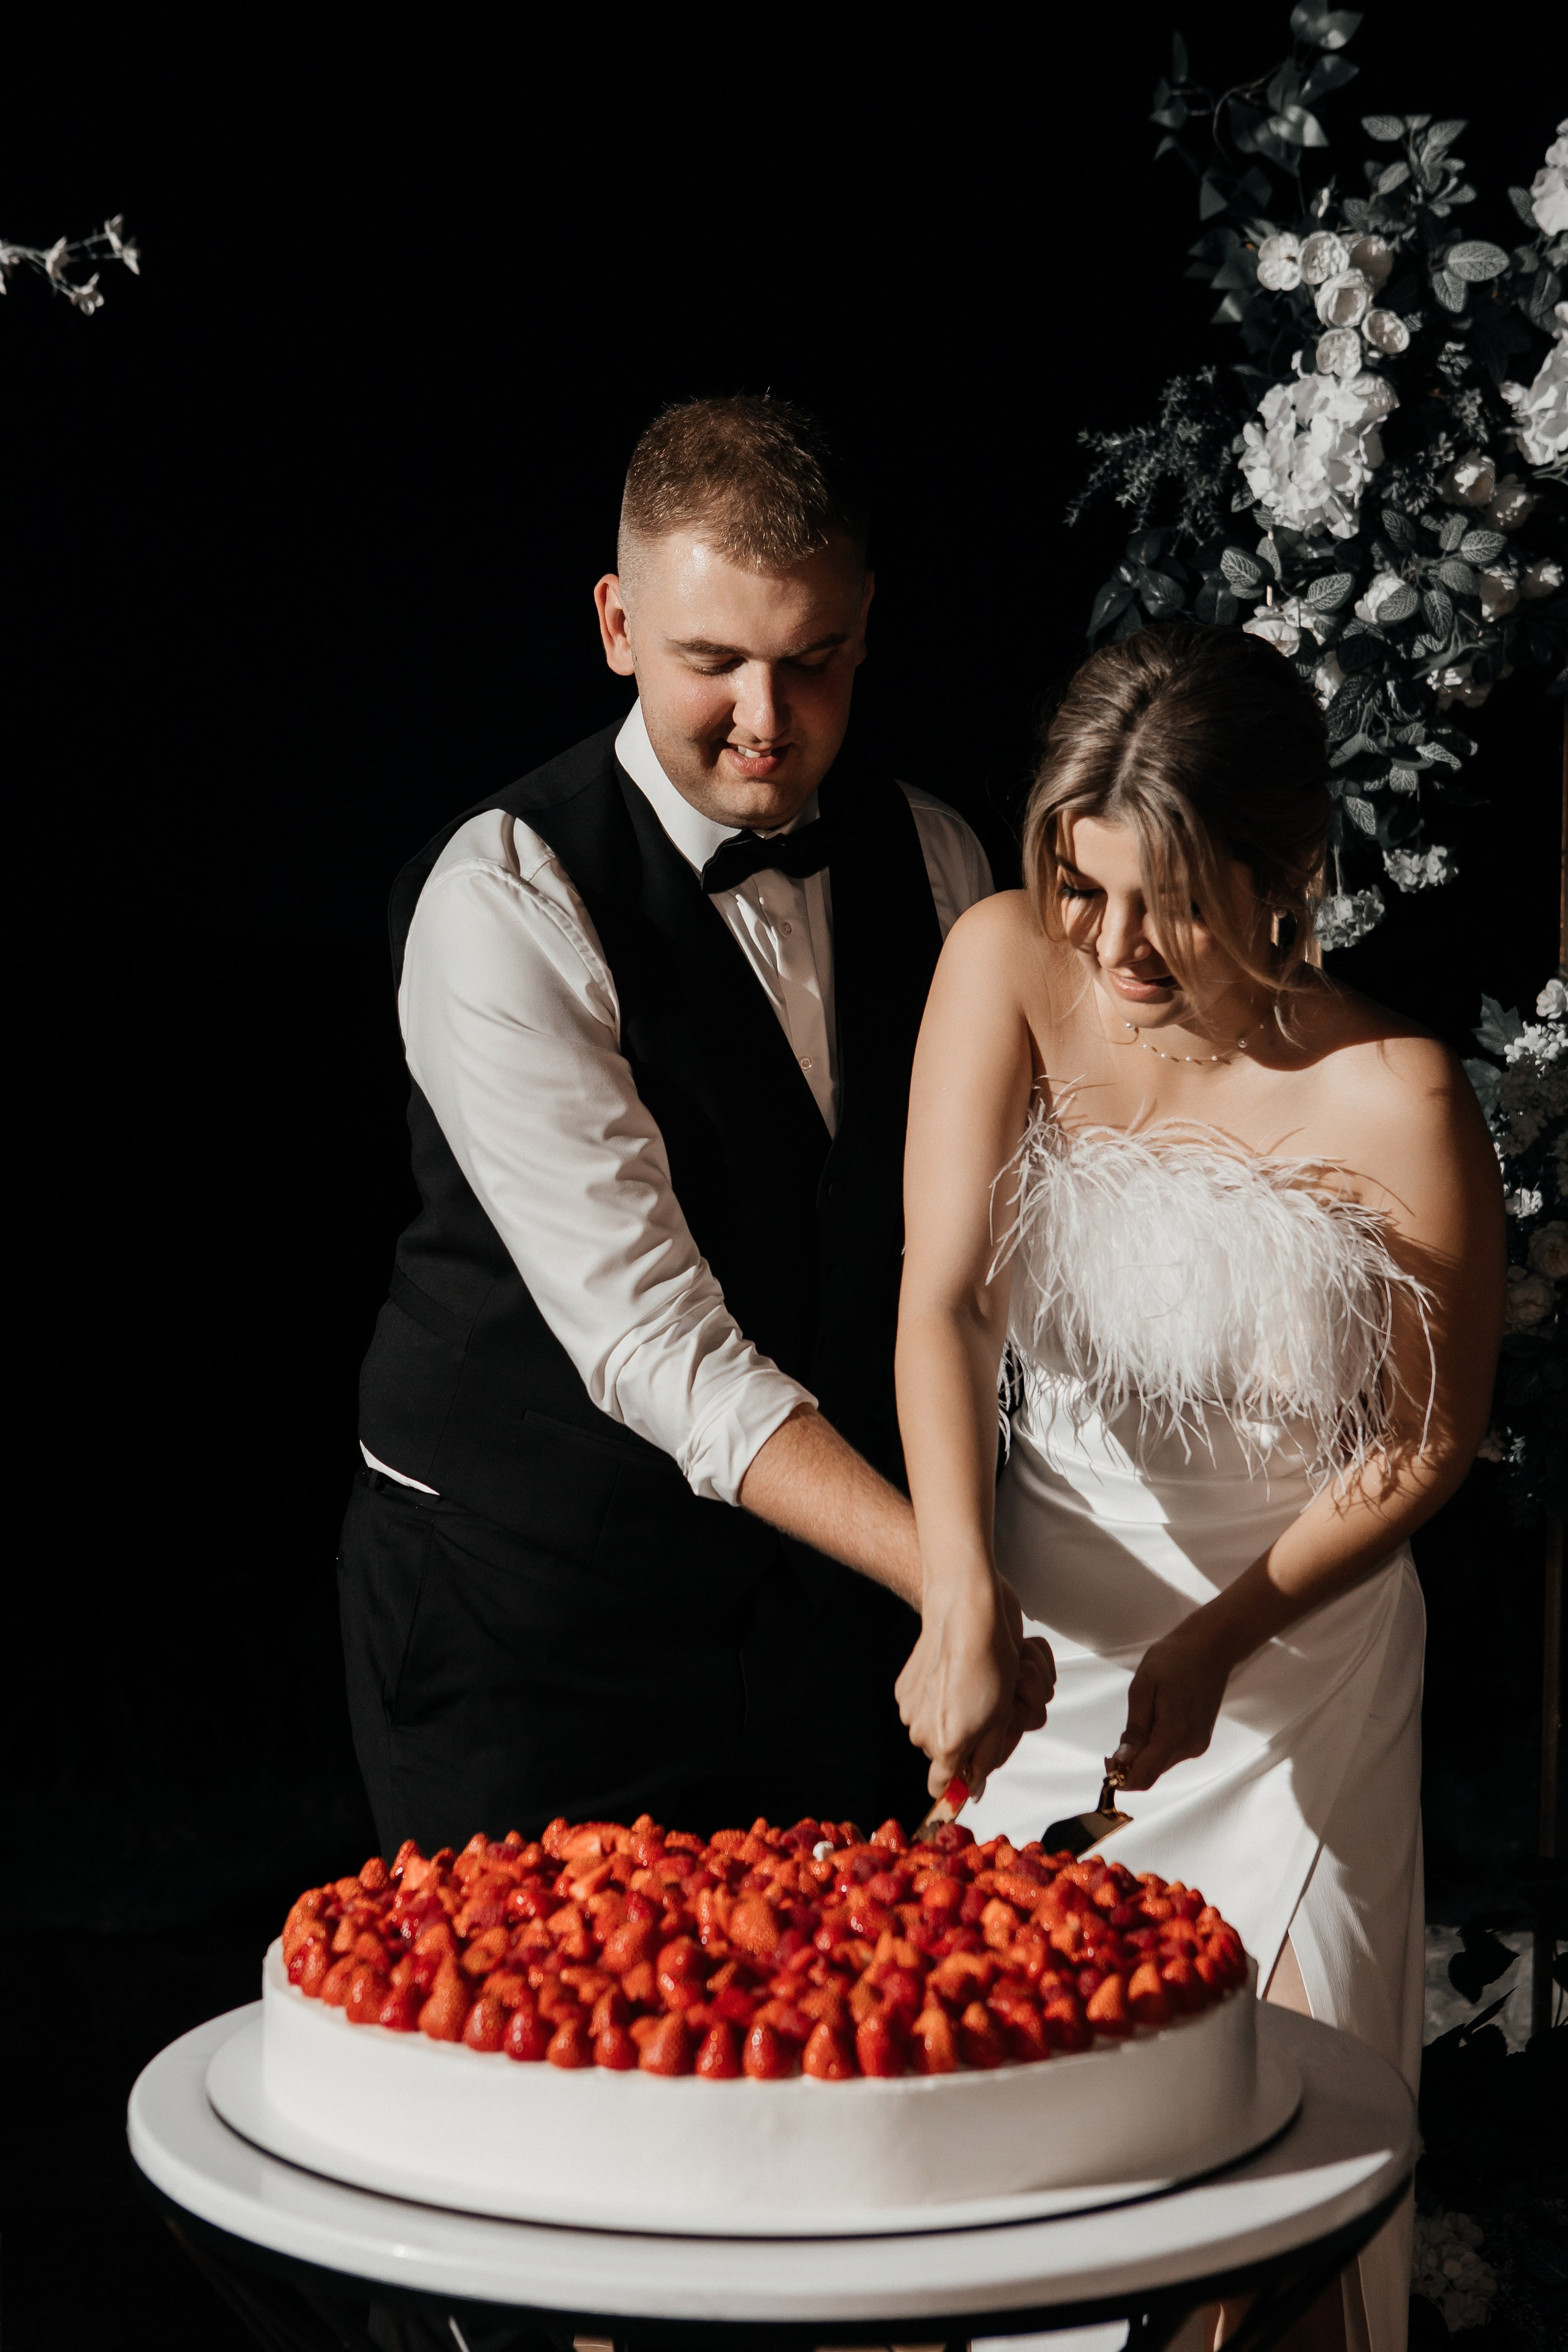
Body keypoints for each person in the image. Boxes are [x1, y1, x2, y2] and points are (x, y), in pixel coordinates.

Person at [893, 620, 1502, 2352]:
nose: (1114, 946)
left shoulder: (1399, 1099)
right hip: (1043, 1657)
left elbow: (1421, 1443)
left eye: (1165, 901)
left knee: (1276, 2231)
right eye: (1083, 888)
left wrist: (1228, 1636)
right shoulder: (1006, 963)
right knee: (1008, 2197)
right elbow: (940, 1304)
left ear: (1286, 874)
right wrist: (959, 1588)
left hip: (1292, 1673)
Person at [339, 393, 1046, 1857]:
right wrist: (953, 1575)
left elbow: (976, 1241)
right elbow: (649, 1337)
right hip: (529, 1615)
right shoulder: (503, 899)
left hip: (820, 1627)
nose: (765, 723)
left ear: (864, 628)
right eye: (709, 661)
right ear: (614, 624)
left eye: (813, 663)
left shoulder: (938, 856)